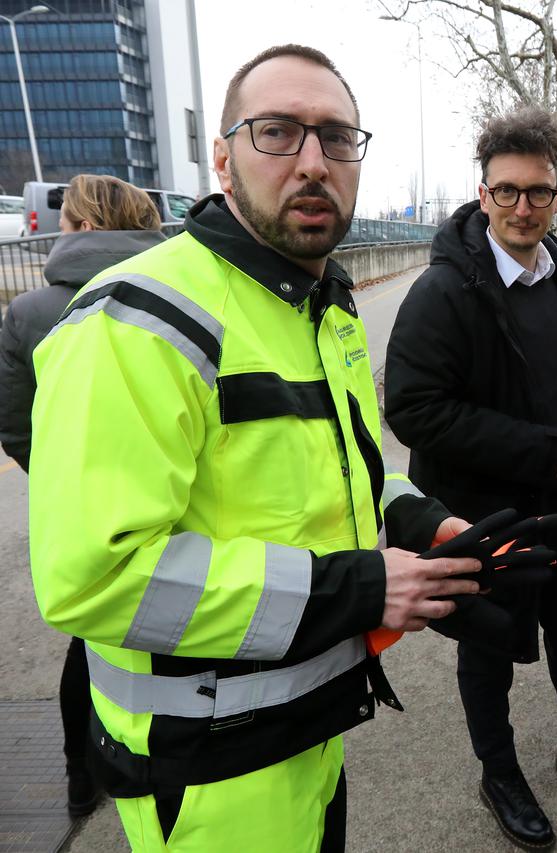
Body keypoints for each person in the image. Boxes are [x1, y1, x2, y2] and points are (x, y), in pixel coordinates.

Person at [27, 44, 483, 851]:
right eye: (278, 132)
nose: (314, 161)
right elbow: (93, 576)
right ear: (224, 159)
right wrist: (362, 588)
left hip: (304, 729)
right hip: (205, 772)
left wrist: (423, 521)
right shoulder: (139, 318)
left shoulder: (321, 305)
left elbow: (344, 471)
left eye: (338, 137)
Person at [384, 105, 557, 852]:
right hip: (483, 513)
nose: (523, 207)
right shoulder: (445, 291)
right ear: (482, 195)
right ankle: (498, 772)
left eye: (538, 192)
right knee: (491, 645)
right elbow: (414, 409)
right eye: (507, 192)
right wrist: (537, 448)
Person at [0, 174, 165, 817]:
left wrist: (70, 486)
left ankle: (79, 773)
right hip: (176, 502)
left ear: (85, 226)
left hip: (79, 515)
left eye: (65, 220)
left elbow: (16, 425)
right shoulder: (193, 295)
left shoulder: (34, 312)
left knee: (92, 641)